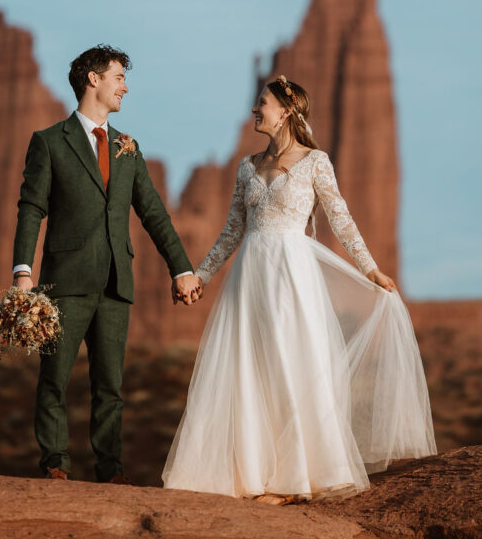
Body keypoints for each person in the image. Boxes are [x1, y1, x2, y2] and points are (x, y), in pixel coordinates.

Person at [162, 75, 436, 505]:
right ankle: (253, 475)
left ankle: (297, 479)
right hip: (251, 277)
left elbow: (341, 220)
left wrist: (371, 271)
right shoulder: (247, 167)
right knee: (250, 368)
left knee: (292, 362)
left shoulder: (315, 162)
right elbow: (233, 230)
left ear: (286, 111)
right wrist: (201, 275)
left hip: (293, 275)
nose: (255, 111)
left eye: (262, 104)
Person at [12, 45, 200, 482]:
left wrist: (181, 268)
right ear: (93, 79)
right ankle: (55, 463)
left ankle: (110, 470)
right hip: (65, 281)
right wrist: (24, 271)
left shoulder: (127, 148)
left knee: (110, 387)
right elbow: (30, 208)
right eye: (118, 77)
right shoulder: (49, 142)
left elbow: (153, 212)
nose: (125, 87)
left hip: (117, 282)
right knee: (54, 376)